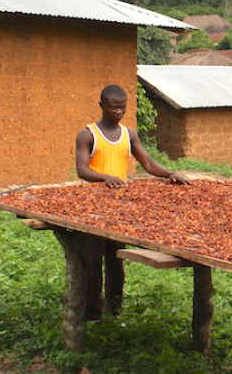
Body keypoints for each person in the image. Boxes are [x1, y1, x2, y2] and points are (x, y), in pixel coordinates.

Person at [75, 84, 189, 321]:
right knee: (93, 261)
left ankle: (114, 310)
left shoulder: (129, 135)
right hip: (93, 208)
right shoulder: (88, 135)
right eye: (113, 107)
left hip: (120, 208)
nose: (118, 112)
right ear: (102, 106)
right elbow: (82, 169)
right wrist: (104, 177)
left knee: (116, 260)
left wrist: (169, 173)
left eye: (122, 108)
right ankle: (92, 314)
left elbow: (147, 162)